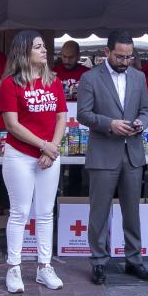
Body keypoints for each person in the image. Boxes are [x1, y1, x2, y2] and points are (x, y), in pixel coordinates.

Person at [77, 30, 148, 284]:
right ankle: (98, 261)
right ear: (107, 52)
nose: (124, 61)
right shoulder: (90, 78)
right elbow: (83, 114)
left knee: (132, 211)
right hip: (103, 152)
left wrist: (141, 123)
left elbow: (145, 110)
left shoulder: (139, 77)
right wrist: (110, 124)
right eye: (120, 56)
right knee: (99, 211)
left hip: (132, 151)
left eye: (129, 57)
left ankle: (134, 260)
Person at [0, 30, 67, 293]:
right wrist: (44, 146)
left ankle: (44, 267)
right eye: (38, 47)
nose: (44, 51)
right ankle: (14, 268)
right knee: (19, 213)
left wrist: (52, 149)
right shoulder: (10, 84)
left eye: (44, 47)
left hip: (49, 156)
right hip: (20, 156)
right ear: (24, 52)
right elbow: (12, 125)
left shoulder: (54, 82)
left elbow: (61, 117)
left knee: (45, 213)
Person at [53, 40, 89, 194]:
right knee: (55, 167)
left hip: (79, 127)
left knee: (76, 167)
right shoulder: (53, 72)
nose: (66, 61)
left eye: (71, 57)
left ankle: (74, 201)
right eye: (64, 57)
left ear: (78, 56)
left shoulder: (87, 74)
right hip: (57, 125)